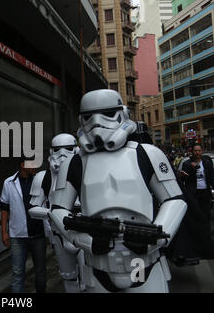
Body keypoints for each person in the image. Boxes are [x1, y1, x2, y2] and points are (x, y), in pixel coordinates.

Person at [44, 90, 187, 292]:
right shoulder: (74, 163)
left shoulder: (147, 154)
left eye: (108, 114)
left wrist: (155, 237)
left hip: (144, 264)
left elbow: (175, 200)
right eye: (89, 117)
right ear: (81, 120)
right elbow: (58, 209)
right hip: (98, 267)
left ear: (123, 114)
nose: (97, 123)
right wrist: (86, 240)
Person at [29, 133, 84, 293]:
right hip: (59, 231)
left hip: (85, 228)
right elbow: (33, 207)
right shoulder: (42, 177)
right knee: (68, 276)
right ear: (51, 152)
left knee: (89, 276)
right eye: (57, 149)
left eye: (68, 149)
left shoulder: (87, 170)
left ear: (76, 149)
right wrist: (53, 213)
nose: (62, 154)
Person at [0, 159, 47, 293]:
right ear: (22, 165)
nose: (35, 166)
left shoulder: (40, 181)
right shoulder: (9, 183)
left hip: (38, 234)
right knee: (17, 273)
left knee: (41, 271)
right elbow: (4, 208)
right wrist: (4, 232)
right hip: (18, 236)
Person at [180, 144, 214, 241]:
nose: (197, 152)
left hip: (205, 192)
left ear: (202, 151)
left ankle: (207, 237)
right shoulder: (187, 164)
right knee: (195, 215)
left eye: (199, 150)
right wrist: (194, 170)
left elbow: (211, 177)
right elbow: (185, 179)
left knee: (206, 214)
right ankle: (196, 237)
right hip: (193, 193)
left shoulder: (207, 162)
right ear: (192, 152)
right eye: (195, 151)